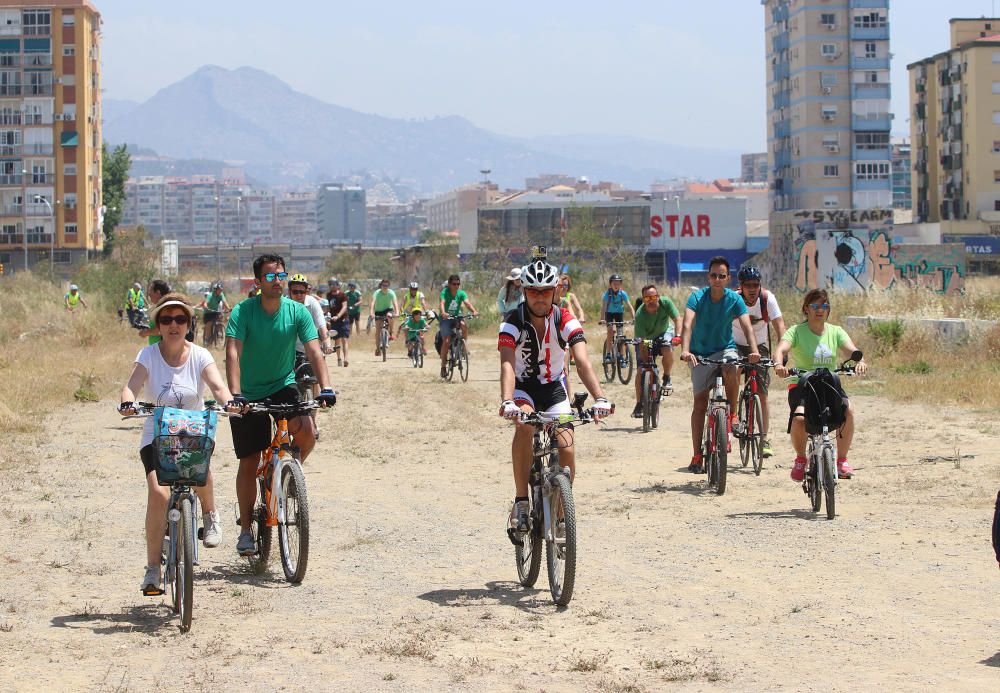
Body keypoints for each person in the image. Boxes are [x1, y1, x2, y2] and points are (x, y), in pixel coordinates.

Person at [118, 293, 237, 594]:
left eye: (180, 319)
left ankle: (210, 517)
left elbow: (218, 386)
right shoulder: (148, 356)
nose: (174, 325)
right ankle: (152, 570)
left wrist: (230, 403)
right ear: (158, 325)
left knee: (202, 473)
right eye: (167, 319)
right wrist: (127, 403)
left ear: (189, 324)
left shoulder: (200, 355)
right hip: (157, 436)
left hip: (192, 433)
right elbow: (130, 386)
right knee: (158, 494)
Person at [225, 254, 338, 556]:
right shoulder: (243, 312)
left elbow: (315, 352)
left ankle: (290, 475)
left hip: (282, 385)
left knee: (307, 431)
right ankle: (246, 529)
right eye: (271, 276)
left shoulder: (297, 312)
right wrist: (235, 394)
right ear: (259, 282)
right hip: (247, 393)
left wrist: (326, 387)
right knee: (249, 460)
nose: (278, 281)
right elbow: (233, 354)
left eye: (281, 275)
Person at [499, 259, 612, 535]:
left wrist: (600, 398)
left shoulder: (565, 319)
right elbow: (507, 364)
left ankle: (562, 516)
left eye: (545, 291)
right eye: (534, 291)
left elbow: (583, 362)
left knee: (567, 446)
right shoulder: (513, 321)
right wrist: (507, 401)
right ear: (525, 292)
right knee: (524, 426)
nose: (540, 297)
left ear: (555, 292)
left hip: (553, 388)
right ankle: (522, 501)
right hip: (524, 387)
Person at [773, 289, 868, 480]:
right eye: (815, 306)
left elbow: (852, 349)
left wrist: (860, 360)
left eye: (824, 306)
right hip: (804, 383)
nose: (819, 310)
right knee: (799, 419)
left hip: (829, 382)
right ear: (806, 309)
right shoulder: (797, 331)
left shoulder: (836, 331)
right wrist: (778, 364)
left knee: (848, 411)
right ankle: (800, 459)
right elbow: (781, 349)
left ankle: (842, 461)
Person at [679, 257, 759, 473]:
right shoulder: (697, 297)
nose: (717, 279)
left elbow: (747, 327)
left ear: (728, 278)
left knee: (732, 366)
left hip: (725, 349)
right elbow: (687, 324)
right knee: (700, 404)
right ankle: (697, 455)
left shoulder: (734, 299)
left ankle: (732, 414)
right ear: (708, 277)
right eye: (713, 275)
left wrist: (754, 351)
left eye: (721, 276)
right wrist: (685, 350)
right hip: (699, 353)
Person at [732, 265, 786, 459]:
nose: (752, 289)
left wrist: (782, 351)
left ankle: (764, 439)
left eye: (756, 284)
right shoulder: (733, 299)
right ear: (741, 286)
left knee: (762, 394)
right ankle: (733, 413)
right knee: (734, 368)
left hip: (760, 346)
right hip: (736, 344)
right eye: (748, 285)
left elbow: (780, 326)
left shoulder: (767, 299)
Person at [631, 285, 682, 418]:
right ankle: (639, 403)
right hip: (646, 339)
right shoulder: (640, 315)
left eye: (654, 297)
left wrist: (678, 335)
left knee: (666, 345)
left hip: (664, 332)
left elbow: (677, 319)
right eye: (647, 298)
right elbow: (641, 341)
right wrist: (645, 362)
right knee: (641, 370)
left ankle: (667, 377)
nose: (651, 300)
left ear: (658, 297)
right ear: (643, 300)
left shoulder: (666, 303)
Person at [439, 273, 479, 378]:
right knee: (446, 341)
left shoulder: (461, 293)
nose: (456, 286)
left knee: (464, 325)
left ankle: (463, 346)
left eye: (458, 284)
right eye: (454, 284)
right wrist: (443, 312)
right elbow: (442, 303)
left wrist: (474, 311)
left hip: (457, 316)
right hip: (446, 318)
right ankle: (443, 366)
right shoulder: (444, 292)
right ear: (449, 284)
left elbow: (467, 303)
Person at [599, 274, 636, 362]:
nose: (616, 285)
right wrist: (602, 319)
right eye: (614, 283)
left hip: (619, 314)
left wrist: (634, 318)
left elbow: (630, 306)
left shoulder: (622, 294)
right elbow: (604, 307)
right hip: (609, 314)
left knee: (621, 335)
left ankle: (622, 357)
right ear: (610, 284)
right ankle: (608, 354)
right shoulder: (607, 294)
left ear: (620, 285)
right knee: (610, 330)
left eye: (618, 283)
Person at [368, 279, 399, 356]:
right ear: (380, 286)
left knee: (389, 316)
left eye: (386, 286)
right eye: (383, 286)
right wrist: (372, 313)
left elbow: (395, 303)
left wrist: (397, 312)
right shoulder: (377, 293)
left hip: (388, 309)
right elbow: (372, 303)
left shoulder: (391, 293)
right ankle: (378, 349)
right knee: (378, 331)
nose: (385, 287)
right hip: (378, 311)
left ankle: (391, 332)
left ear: (388, 286)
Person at [138, 279, 171, 345]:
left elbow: (162, 329)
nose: (149, 293)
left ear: (158, 293)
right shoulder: (159, 307)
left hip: (162, 351)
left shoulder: (164, 308)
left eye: (150, 290)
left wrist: (146, 333)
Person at [326, 278, 350, 367]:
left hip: (343, 319)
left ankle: (346, 359)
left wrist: (338, 316)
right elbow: (328, 306)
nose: (332, 286)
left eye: (334, 284)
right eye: (330, 284)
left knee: (344, 339)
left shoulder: (342, 295)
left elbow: (344, 307)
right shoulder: (328, 295)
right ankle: (339, 358)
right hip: (334, 320)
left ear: (337, 285)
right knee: (337, 340)